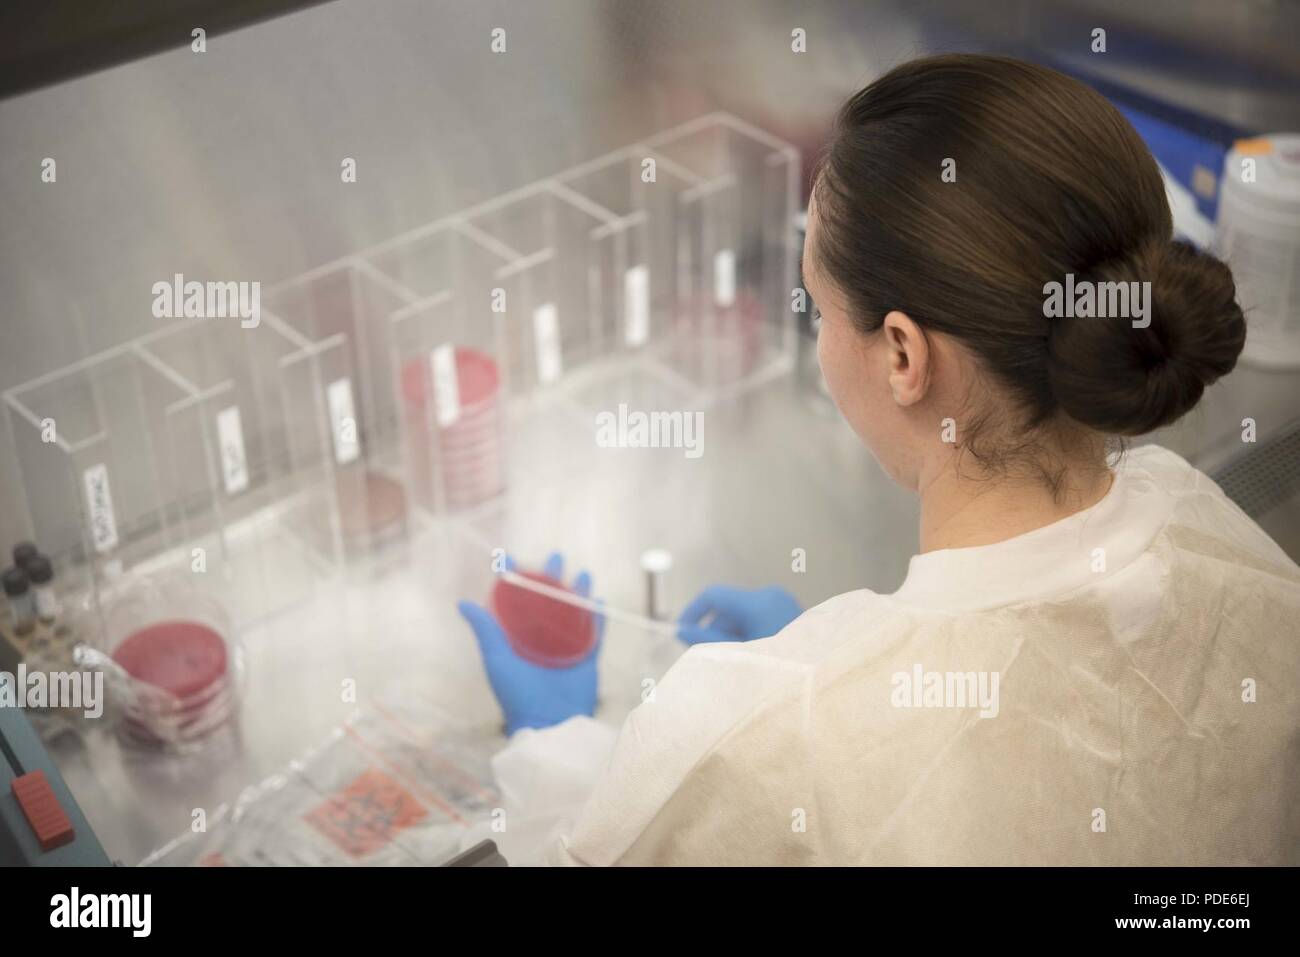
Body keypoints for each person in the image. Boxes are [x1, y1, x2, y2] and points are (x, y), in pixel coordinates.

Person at [458, 53, 1300, 865]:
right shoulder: (1218, 538)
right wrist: (834, 662)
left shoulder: (772, 741)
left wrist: (554, 743)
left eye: (817, 308)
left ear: (902, 355)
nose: (818, 342)